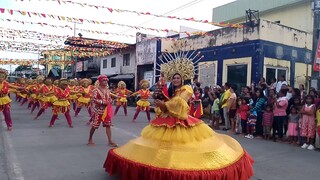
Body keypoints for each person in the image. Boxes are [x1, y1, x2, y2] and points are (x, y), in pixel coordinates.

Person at [104, 56, 254, 180]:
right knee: (162, 147)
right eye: (174, 77)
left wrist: (165, 105)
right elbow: (170, 102)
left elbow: (180, 103)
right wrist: (161, 103)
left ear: (182, 79)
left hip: (181, 119)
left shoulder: (186, 89)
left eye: (178, 77)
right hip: (168, 118)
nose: (176, 79)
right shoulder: (172, 90)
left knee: (186, 147)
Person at [88, 75, 117, 147]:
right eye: (104, 80)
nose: (106, 82)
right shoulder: (96, 90)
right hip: (98, 110)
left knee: (108, 125)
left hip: (106, 110)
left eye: (106, 80)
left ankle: (110, 141)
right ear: (100, 81)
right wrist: (102, 102)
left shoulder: (107, 90)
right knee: (94, 126)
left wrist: (110, 101)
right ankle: (90, 138)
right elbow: (93, 99)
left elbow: (109, 98)